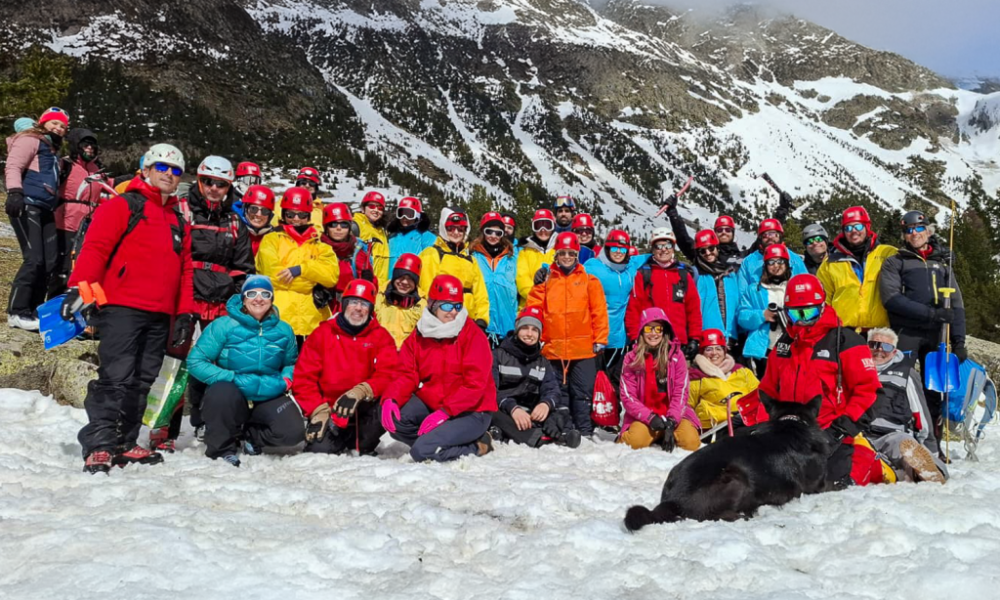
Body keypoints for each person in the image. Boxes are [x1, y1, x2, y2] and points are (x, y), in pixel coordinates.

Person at [65, 143, 196, 473]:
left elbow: (185, 271)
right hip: (122, 306)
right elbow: (95, 249)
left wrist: (183, 313)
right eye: (162, 167)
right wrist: (79, 290)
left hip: (160, 312)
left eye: (175, 170)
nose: (168, 174)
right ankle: (99, 444)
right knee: (115, 377)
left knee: (143, 379)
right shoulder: (124, 205)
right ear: (146, 169)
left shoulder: (178, 220)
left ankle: (125, 442)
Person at [151, 156, 255, 451]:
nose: (213, 189)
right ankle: (163, 427)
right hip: (186, 297)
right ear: (198, 181)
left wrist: (237, 302)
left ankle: (208, 422)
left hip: (220, 302)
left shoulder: (235, 222)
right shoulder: (182, 211)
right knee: (174, 362)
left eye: (220, 184)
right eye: (208, 182)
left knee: (216, 365)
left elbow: (243, 268)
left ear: (228, 187)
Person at [750, 274, 884, 488]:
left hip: (830, 434)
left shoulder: (845, 342)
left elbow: (868, 392)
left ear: (822, 308)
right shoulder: (785, 345)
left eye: (809, 312)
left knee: (828, 488)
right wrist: (763, 428)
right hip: (787, 435)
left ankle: (873, 462)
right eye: (795, 314)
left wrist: (840, 429)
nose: (802, 320)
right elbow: (768, 391)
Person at [186, 276, 304, 466]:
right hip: (234, 392)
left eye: (265, 294)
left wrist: (285, 380)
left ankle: (251, 436)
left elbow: (290, 362)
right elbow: (196, 361)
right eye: (252, 294)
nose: (258, 299)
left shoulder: (284, 330)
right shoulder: (224, 325)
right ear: (243, 298)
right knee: (220, 392)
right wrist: (230, 377)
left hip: (269, 392)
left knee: (292, 432)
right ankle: (222, 448)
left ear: (272, 299)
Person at [381, 274, 497, 461]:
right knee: (396, 420)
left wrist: (445, 412)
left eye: (458, 306)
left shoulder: (473, 335)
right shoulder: (421, 332)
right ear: (432, 305)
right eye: (446, 305)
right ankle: (436, 440)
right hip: (435, 402)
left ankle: (478, 445)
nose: (453, 312)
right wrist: (391, 398)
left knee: (422, 452)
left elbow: (475, 385)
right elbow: (406, 372)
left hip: (472, 411)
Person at [880, 210, 967, 427]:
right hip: (907, 332)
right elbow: (891, 299)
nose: (914, 233)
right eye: (909, 230)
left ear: (928, 231)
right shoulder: (896, 262)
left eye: (919, 228)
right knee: (900, 383)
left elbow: (956, 303)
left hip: (937, 334)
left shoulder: (944, 264)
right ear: (904, 235)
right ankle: (902, 431)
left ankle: (933, 438)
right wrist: (932, 314)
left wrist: (959, 341)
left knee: (935, 388)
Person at [295, 279, 398, 456]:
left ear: (371, 309)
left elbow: (390, 373)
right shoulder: (322, 334)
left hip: (364, 410)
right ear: (344, 305)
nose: (358, 308)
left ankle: (364, 442)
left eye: (364, 304)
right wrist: (317, 410)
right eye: (353, 302)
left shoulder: (381, 336)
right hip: (330, 411)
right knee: (319, 452)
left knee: (391, 402)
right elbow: (303, 378)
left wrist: (363, 390)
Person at [527, 232, 609, 436]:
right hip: (553, 348)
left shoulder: (590, 281)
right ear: (556, 255)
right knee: (557, 392)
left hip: (583, 348)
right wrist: (535, 337)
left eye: (571, 253)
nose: (566, 257)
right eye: (562, 253)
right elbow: (534, 308)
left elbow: (599, 312)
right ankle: (563, 429)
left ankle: (584, 430)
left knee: (582, 393)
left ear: (576, 255)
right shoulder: (546, 281)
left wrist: (600, 339)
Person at [5, 107, 69, 330]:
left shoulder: (52, 151)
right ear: (43, 123)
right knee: (34, 259)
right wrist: (14, 192)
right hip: (27, 203)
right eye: (54, 123)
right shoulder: (30, 140)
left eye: (62, 126)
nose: (58, 128)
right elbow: (14, 165)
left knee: (50, 262)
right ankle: (16, 311)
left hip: (46, 208)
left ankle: (34, 310)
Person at [490, 307, 582, 448]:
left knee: (561, 409)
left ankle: (559, 432)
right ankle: (538, 437)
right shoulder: (498, 355)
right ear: (517, 330)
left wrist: (546, 404)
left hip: (529, 411)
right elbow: (490, 390)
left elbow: (552, 389)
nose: (529, 334)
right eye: (525, 328)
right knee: (489, 411)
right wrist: (513, 408)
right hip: (504, 408)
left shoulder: (542, 361)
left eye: (534, 330)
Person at [255, 187, 339, 339]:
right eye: (290, 214)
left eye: (301, 215)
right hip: (278, 320)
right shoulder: (271, 240)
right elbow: (273, 276)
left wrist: (302, 269)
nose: (296, 219)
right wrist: (311, 283)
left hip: (313, 323)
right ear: (283, 214)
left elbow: (331, 277)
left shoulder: (321, 246)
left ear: (308, 216)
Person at [867, 327, 947, 483]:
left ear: (895, 350)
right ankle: (899, 475)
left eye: (886, 347)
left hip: (891, 434)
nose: (879, 350)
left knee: (904, 446)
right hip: (860, 435)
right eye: (874, 344)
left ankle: (931, 472)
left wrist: (931, 448)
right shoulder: (853, 369)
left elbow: (921, 414)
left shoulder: (906, 374)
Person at [618, 307, 700, 451]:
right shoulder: (632, 358)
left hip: (673, 414)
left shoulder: (677, 356)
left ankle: (665, 433)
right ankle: (649, 433)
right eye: (649, 329)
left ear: (665, 332)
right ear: (642, 331)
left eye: (658, 329)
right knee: (634, 442)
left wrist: (672, 421)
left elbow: (681, 392)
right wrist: (650, 418)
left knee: (691, 443)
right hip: (645, 416)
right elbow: (628, 396)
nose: (654, 334)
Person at [817, 206, 897, 330]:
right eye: (848, 228)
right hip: (845, 331)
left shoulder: (887, 253)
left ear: (867, 227)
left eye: (858, 226)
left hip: (880, 332)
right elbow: (822, 301)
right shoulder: (830, 263)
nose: (853, 231)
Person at [625, 227, 702, 356]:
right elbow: (634, 308)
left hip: (678, 341)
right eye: (658, 246)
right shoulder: (643, 274)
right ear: (653, 249)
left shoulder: (683, 274)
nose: (663, 249)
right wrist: (635, 337)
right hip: (651, 340)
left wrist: (694, 338)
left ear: (673, 247)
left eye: (667, 245)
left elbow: (693, 308)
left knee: (678, 376)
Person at [585, 229, 646, 389]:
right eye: (614, 248)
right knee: (594, 383)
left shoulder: (630, 267)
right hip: (596, 337)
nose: (618, 252)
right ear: (607, 249)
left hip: (619, 340)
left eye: (623, 248)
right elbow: (571, 272)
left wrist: (683, 266)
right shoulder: (593, 266)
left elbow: (651, 257)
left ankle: (613, 412)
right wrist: (546, 270)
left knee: (614, 384)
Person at [51, 128, 106, 298]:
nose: (90, 148)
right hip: (65, 222)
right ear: (76, 146)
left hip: (90, 224)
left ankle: (87, 305)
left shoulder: (98, 170)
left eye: (92, 146)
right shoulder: (65, 165)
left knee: (87, 265)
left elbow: (108, 187)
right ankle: (55, 303)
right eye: (85, 145)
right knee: (63, 265)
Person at [418, 207, 490, 328]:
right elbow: (426, 290)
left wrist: (482, 319)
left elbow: (480, 294)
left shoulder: (470, 259)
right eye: (450, 228)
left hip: (468, 321)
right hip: (441, 321)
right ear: (443, 228)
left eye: (460, 229)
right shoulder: (432, 254)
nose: (456, 232)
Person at [687, 328, 759, 435]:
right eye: (709, 349)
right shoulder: (696, 377)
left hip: (747, 420)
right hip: (716, 428)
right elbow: (687, 407)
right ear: (702, 352)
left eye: (718, 349)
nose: (714, 353)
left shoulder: (742, 372)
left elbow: (760, 395)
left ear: (724, 351)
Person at [736, 243, 792, 376]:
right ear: (765, 265)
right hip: (763, 349)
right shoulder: (754, 290)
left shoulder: (794, 287)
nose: (776, 266)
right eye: (771, 262)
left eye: (780, 261)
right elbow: (742, 317)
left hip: (791, 347)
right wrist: (762, 315)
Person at [661, 191, 743, 270]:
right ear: (715, 233)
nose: (724, 232)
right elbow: (684, 240)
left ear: (733, 232)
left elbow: (755, 247)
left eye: (728, 229)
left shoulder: (742, 256)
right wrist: (673, 214)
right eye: (720, 230)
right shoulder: (705, 253)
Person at [319, 202, 375, 313]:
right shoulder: (317, 249)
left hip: (351, 308)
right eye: (333, 224)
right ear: (326, 228)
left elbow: (371, 287)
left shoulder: (358, 251)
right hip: (321, 307)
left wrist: (369, 282)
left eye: (344, 224)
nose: (338, 228)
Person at [471, 211, 517, 346]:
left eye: (498, 233)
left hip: (508, 328)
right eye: (489, 231)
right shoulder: (472, 257)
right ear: (482, 232)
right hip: (480, 327)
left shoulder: (512, 258)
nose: (493, 236)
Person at [691, 229, 740, 347]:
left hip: (732, 339)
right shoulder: (695, 274)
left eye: (711, 248)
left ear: (717, 248)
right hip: (708, 340)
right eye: (703, 251)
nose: (708, 253)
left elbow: (738, 304)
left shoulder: (730, 273)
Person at [737, 218, 807, 290]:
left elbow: (806, 284)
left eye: (773, 233)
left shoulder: (795, 259)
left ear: (779, 235)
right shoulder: (748, 262)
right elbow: (743, 292)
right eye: (765, 235)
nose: (769, 237)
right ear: (760, 238)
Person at [374, 253, 424, 349]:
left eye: (410, 279)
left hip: (407, 357)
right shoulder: (379, 297)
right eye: (401, 277)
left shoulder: (421, 304)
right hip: (381, 353)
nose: (405, 282)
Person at [515, 209, 556, 309]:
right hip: (530, 306)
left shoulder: (559, 250)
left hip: (555, 305)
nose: (543, 230)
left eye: (547, 225)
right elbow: (522, 280)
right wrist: (538, 296)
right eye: (538, 226)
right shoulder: (525, 253)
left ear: (553, 227)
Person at [386, 196, 436, 275]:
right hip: (389, 282)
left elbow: (432, 263)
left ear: (417, 216)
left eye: (409, 214)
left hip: (412, 282)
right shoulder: (392, 236)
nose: (404, 218)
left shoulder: (426, 236)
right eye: (401, 214)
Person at [352, 190, 391, 289]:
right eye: (372, 206)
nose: (376, 210)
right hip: (361, 284)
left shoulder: (382, 232)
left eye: (380, 207)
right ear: (363, 208)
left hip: (380, 288)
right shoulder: (355, 225)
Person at [241, 185, 276, 255]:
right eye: (253, 209)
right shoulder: (234, 232)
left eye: (265, 211)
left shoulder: (275, 238)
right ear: (245, 209)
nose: (259, 214)